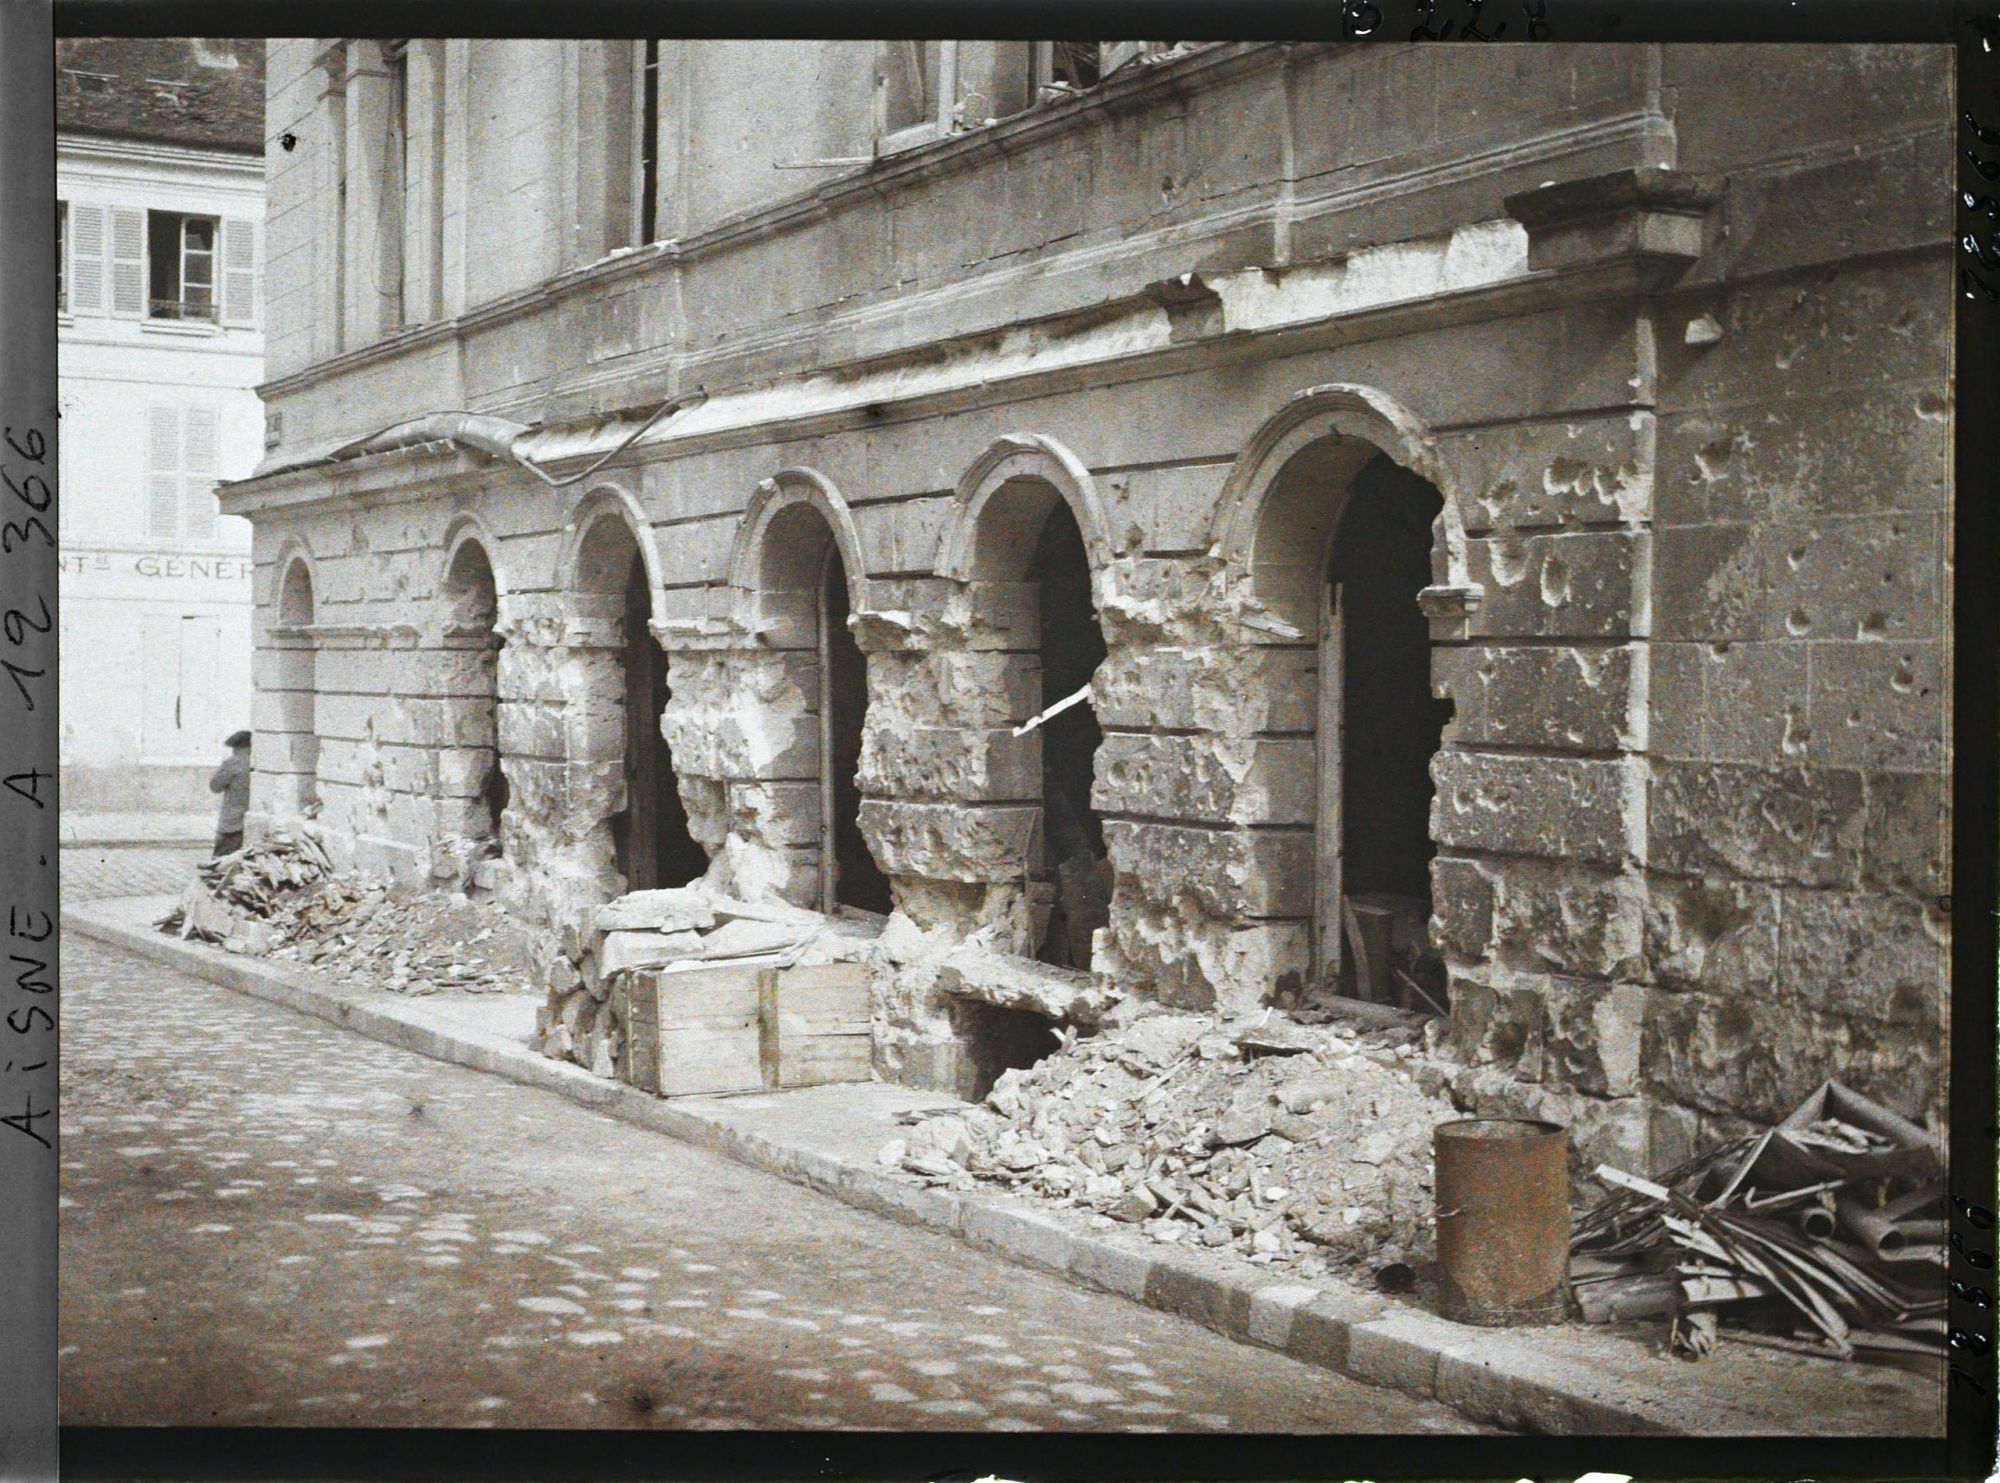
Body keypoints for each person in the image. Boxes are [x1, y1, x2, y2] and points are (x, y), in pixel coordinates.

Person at [209, 730, 252, 857]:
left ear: (237, 747)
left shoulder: (232, 763)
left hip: (232, 821)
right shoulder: (258, 765)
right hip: (250, 819)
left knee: (221, 859)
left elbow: (215, 786)